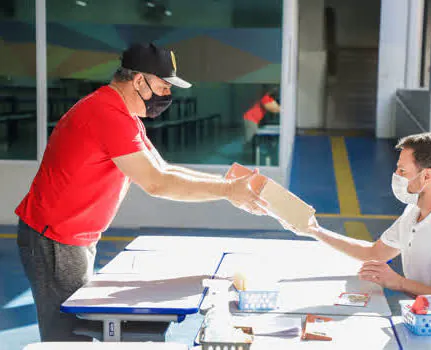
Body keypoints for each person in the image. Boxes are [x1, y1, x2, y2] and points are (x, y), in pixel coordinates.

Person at [15, 43, 267, 341]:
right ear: (138, 80)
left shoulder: (121, 114)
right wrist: (227, 191)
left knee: (78, 330)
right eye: (162, 87)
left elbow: (164, 170)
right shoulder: (106, 114)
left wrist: (228, 186)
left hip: (73, 236)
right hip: (54, 237)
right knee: (67, 338)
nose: (166, 96)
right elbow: (156, 182)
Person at [289, 132, 431, 317]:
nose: (396, 176)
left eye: (402, 171)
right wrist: (314, 230)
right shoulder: (413, 212)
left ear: (427, 176)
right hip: (419, 316)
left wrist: (399, 283)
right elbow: (374, 253)